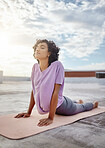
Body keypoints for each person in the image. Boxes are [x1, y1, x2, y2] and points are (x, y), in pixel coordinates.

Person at [14, 39, 98, 127]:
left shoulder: (57, 65)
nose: (37, 50)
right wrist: (28, 112)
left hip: (63, 106)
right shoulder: (35, 67)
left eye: (42, 47)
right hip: (55, 102)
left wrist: (50, 118)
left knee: (81, 108)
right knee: (70, 101)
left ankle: (93, 105)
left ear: (49, 53)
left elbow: (56, 93)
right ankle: (77, 101)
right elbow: (34, 90)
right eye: (36, 48)